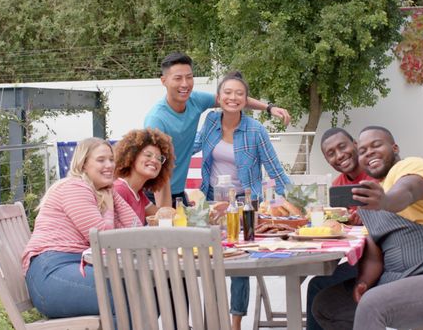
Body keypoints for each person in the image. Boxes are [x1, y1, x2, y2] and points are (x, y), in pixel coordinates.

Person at [312, 126, 423, 330]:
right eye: (363, 150)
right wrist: (363, 282)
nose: (369, 152)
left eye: (376, 145)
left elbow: (408, 190)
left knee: (372, 305)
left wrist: (386, 200)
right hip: (400, 281)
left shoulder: (412, 167)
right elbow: (373, 254)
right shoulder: (375, 191)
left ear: (394, 147)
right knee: (326, 304)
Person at [193, 71, 292, 330]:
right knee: (208, 261)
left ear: (246, 100)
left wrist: (296, 201)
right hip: (213, 204)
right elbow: (189, 146)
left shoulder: (255, 130)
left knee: (239, 264)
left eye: (239, 94)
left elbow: (274, 169)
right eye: (227, 93)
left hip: (245, 205)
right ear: (219, 98)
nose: (233, 98)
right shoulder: (211, 121)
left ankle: (235, 323)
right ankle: (212, 321)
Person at [144, 52, 291, 208]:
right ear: (164, 81)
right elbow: (156, 168)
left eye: (189, 77)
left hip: (241, 201)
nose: (185, 84)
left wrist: (269, 108)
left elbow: (232, 98)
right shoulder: (158, 119)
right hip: (158, 192)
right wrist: (166, 212)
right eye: (178, 78)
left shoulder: (196, 101)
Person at [21, 137, 141, 319]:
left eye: (111, 159)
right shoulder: (74, 186)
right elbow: (103, 241)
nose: (109, 165)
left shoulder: (103, 190)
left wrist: (111, 194)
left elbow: (136, 229)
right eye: (101, 160)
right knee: (125, 294)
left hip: (79, 267)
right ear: (83, 164)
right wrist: (109, 207)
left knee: (149, 289)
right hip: (52, 271)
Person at [305, 127, 377, 330]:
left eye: (342, 147)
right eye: (331, 154)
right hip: (363, 254)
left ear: (355, 144)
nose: (339, 155)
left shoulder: (376, 173)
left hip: (379, 261)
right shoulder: (338, 186)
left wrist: (366, 216)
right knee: (320, 279)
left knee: (318, 284)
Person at [113, 128, 174, 224]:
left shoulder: (138, 194)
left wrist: (165, 174)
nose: (154, 161)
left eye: (159, 158)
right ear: (132, 157)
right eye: (148, 155)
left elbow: (165, 218)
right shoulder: (119, 190)